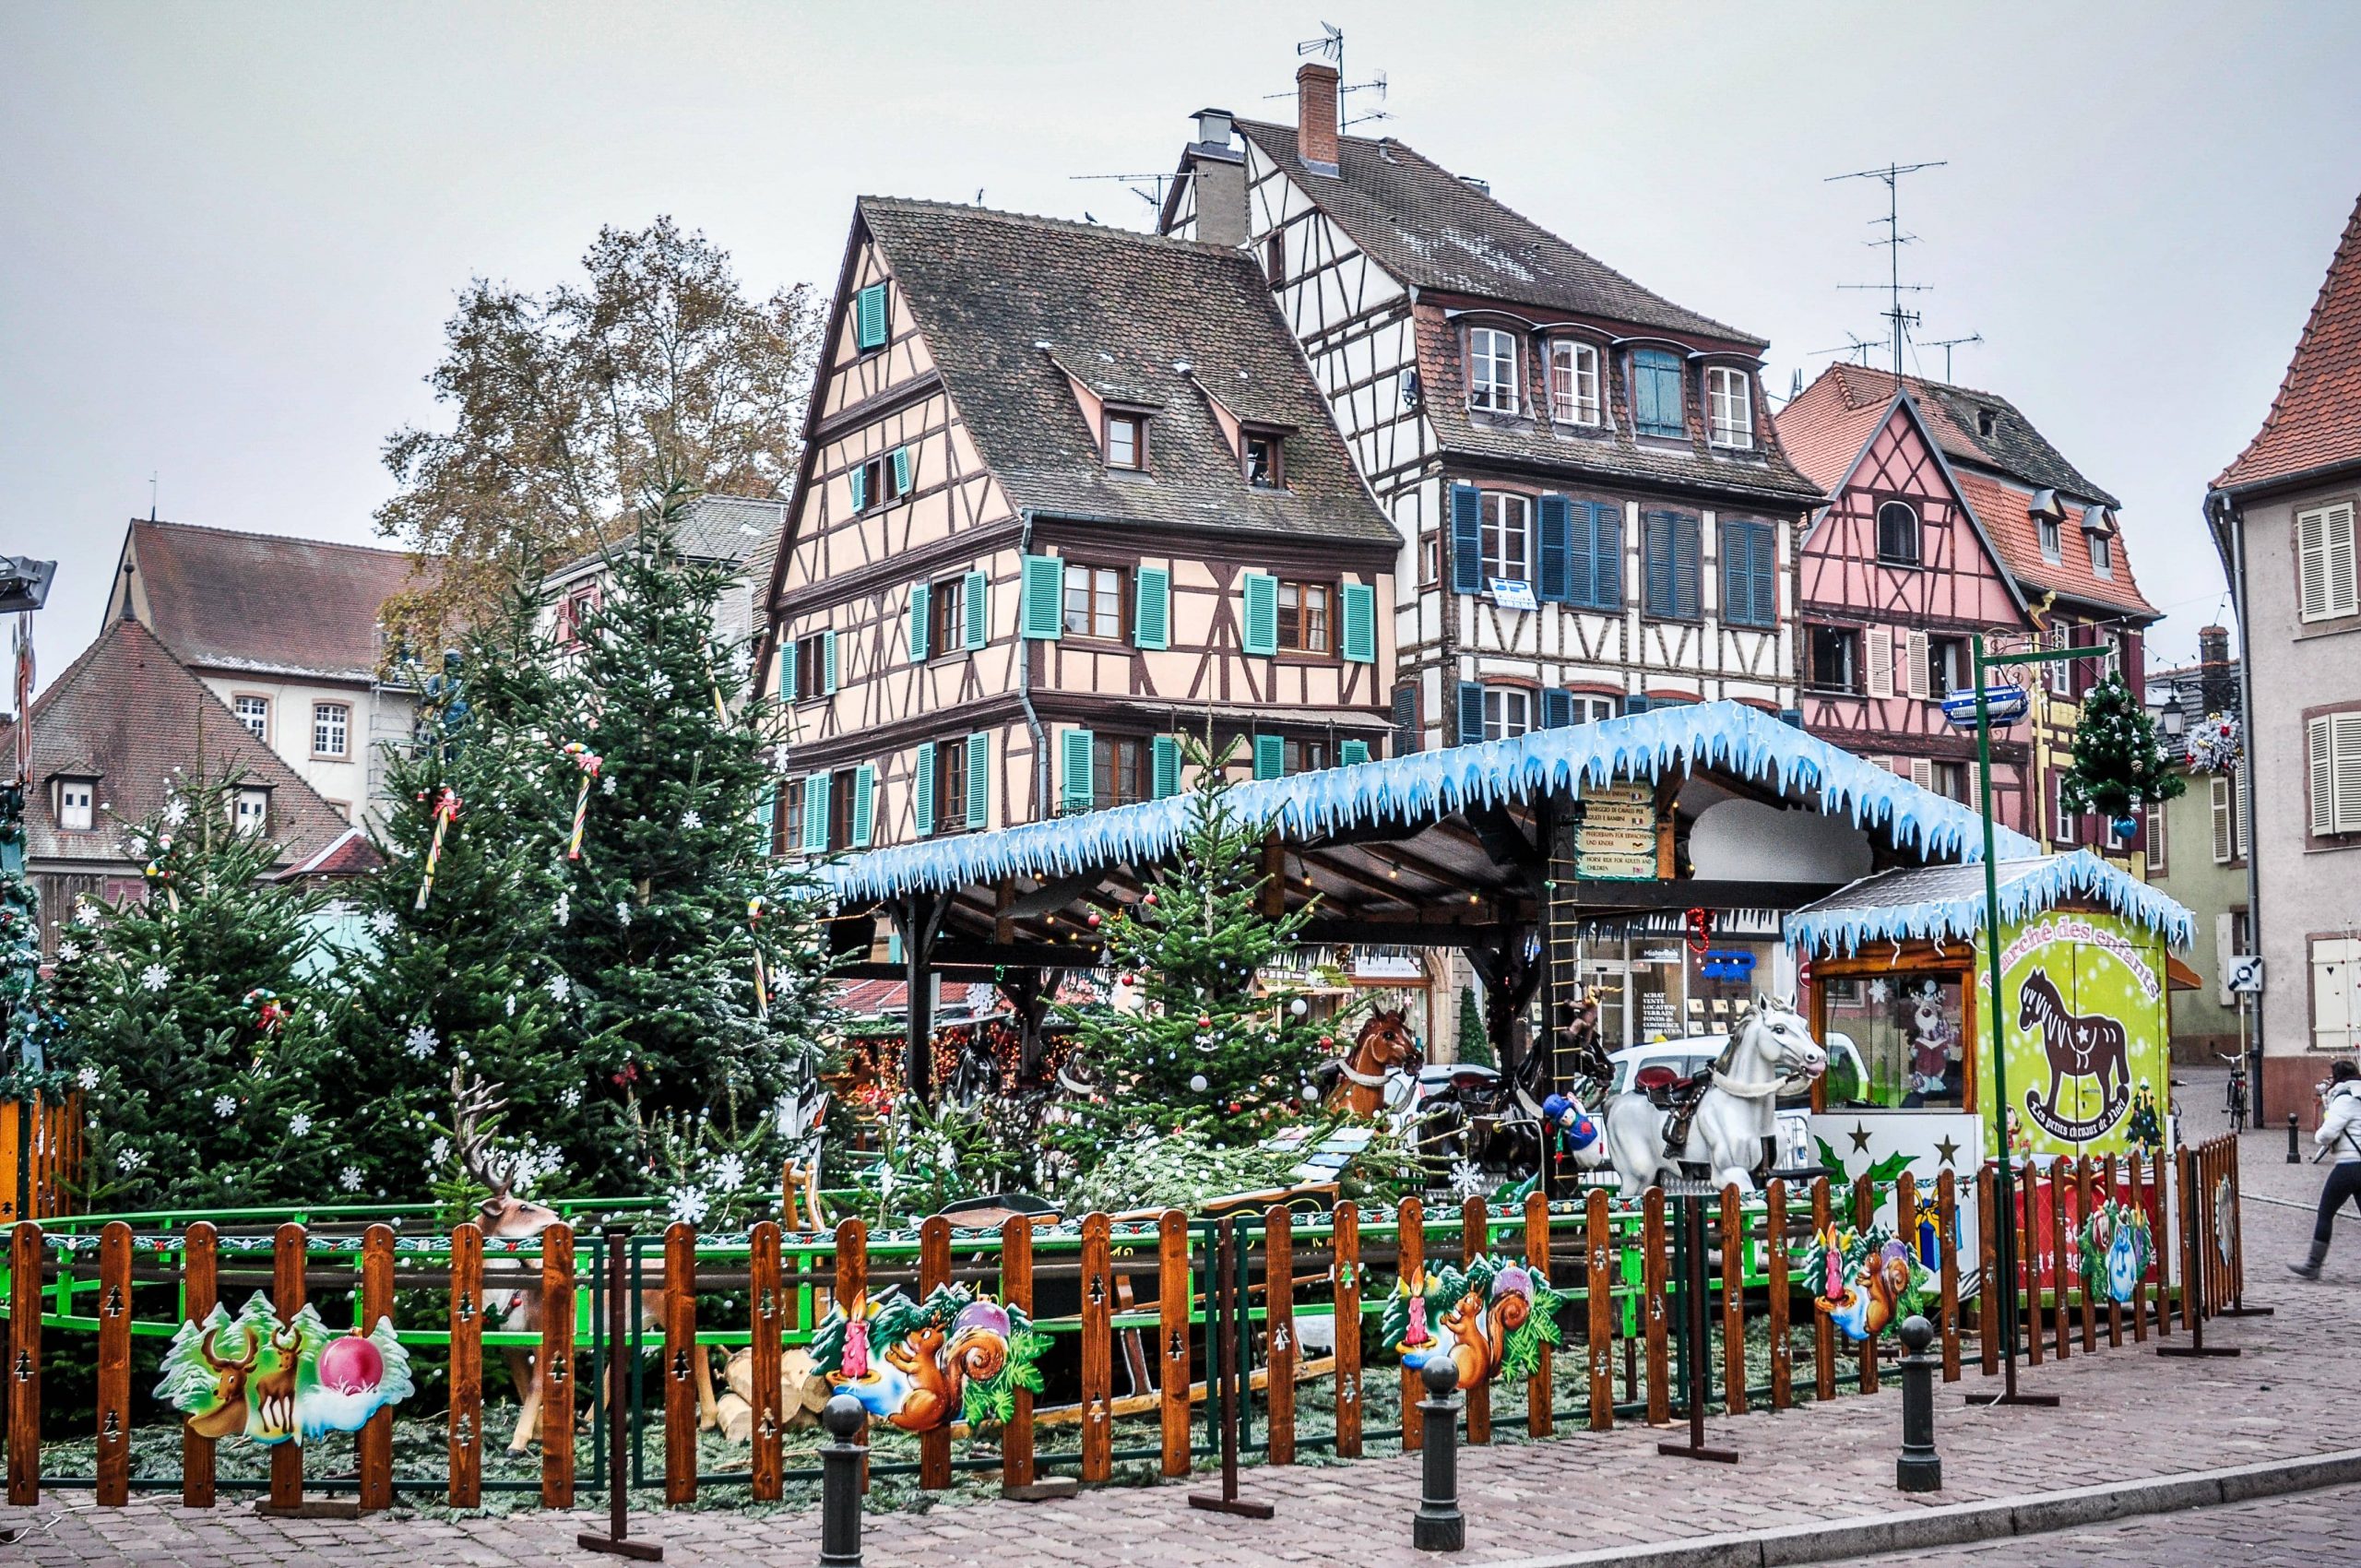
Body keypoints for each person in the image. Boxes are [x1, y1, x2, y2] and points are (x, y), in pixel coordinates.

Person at [2291, 1059, 2361, 1279]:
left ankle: (2313, 1265)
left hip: (2349, 1164)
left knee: (2325, 1212)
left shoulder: (2344, 1097)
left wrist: (2319, 1136)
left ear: (2337, 1077)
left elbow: (2328, 1133)